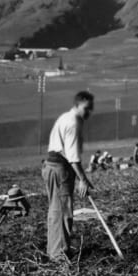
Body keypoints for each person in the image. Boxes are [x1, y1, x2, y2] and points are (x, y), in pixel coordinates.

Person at [41, 90, 95, 261]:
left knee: (56, 210)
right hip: (60, 169)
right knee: (63, 211)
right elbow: (72, 157)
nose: (89, 112)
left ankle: (54, 250)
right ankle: (59, 255)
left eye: (90, 109)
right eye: (86, 108)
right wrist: (83, 180)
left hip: (52, 167)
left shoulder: (65, 117)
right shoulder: (72, 123)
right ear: (78, 105)